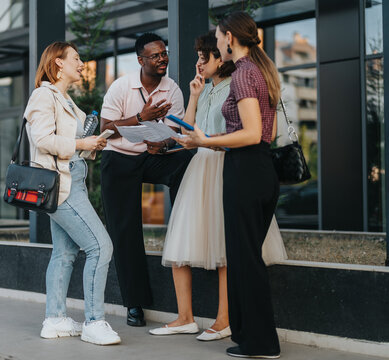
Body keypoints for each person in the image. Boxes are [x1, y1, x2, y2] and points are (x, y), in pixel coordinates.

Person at [149, 32, 287, 341]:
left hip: (224, 168)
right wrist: (194, 95)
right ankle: (185, 317)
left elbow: (240, 136)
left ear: (218, 58)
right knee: (181, 242)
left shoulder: (237, 85)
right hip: (199, 167)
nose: (198, 62)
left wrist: (205, 141)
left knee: (225, 247)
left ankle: (224, 319)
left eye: (202, 57)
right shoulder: (207, 89)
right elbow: (190, 130)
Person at [24, 41, 120, 346]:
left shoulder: (65, 99)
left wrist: (93, 144)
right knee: (100, 247)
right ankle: (94, 321)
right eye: (76, 59)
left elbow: (73, 142)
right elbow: (42, 139)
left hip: (69, 181)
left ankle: (54, 319)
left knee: (64, 253)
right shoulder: (44, 95)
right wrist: (83, 144)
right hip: (62, 187)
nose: (81, 64)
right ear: (57, 64)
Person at [100, 33, 193, 327]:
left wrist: (162, 145)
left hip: (152, 156)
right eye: (155, 55)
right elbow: (105, 130)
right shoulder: (121, 86)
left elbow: (175, 135)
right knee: (125, 231)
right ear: (141, 60)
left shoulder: (173, 90)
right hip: (120, 159)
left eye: (164, 53)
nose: (162, 59)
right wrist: (140, 118)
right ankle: (134, 304)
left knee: (187, 161)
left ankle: (187, 222)